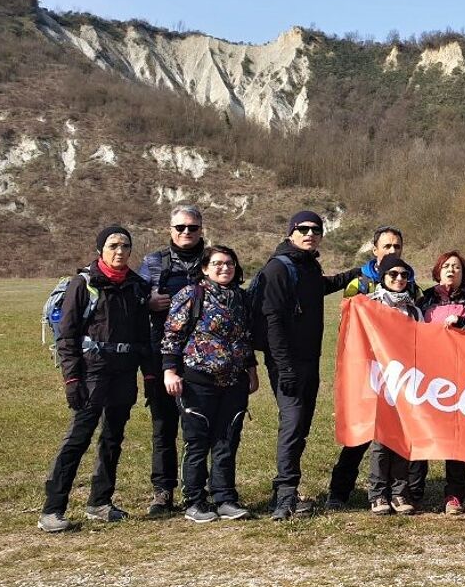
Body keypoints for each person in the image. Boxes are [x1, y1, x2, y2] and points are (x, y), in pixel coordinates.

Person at [39, 225, 152, 532]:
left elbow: (143, 336)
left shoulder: (136, 286)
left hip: (124, 372)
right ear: (100, 250)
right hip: (92, 372)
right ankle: (53, 509)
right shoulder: (83, 284)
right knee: (78, 438)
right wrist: (72, 379)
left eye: (125, 246)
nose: (120, 251)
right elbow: (67, 336)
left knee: (113, 438)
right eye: (113, 245)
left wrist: (150, 374)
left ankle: (100, 503)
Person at [260, 210, 360, 520]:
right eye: (303, 229)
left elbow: (321, 286)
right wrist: (284, 366)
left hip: (309, 361)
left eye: (315, 230)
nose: (309, 234)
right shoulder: (278, 268)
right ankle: (285, 495)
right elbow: (272, 320)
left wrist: (359, 272)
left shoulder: (308, 266)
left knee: (301, 425)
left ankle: (284, 488)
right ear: (290, 232)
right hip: (286, 363)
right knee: (292, 424)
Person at [159, 245, 257, 523]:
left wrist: (251, 371)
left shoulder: (241, 298)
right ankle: (194, 500)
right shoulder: (192, 294)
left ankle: (224, 498)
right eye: (217, 263)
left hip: (234, 381)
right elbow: (172, 334)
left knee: (227, 439)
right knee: (197, 441)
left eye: (229, 263)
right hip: (197, 381)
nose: (224, 268)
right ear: (204, 268)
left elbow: (245, 338)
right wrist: (169, 371)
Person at [326, 225, 417, 511]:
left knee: (400, 432)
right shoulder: (359, 283)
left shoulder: (410, 283)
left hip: (401, 375)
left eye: (397, 246)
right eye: (387, 246)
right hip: (369, 372)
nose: (392, 251)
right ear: (375, 249)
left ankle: (402, 491)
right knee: (362, 433)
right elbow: (347, 326)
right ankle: (339, 492)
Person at [138, 204, 206, 516]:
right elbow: (132, 297)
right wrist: (148, 302)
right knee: (163, 425)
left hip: (203, 358)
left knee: (201, 426)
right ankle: (162, 491)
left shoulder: (213, 260)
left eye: (192, 227)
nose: (186, 232)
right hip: (160, 354)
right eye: (180, 227)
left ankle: (199, 488)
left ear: (201, 230)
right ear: (170, 230)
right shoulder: (153, 262)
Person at [416, 251, 465, 515]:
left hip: (461, 377)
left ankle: (454, 495)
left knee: (456, 437)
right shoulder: (425, 300)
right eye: (447, 266)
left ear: (464, 273)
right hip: (428, 377)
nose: (452, 270)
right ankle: (414, 492)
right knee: (421, 431)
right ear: (438, 271)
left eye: (457, 267)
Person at [356, 254, 426, 516]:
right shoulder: (369, 305)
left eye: (404, 275)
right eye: (393, 274)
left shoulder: (414, 310)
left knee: (404, 437)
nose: (399, 279)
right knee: (381, 440)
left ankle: (399, 492)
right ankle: (377, 494)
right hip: (378, 380)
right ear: (382, 277)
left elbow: (424, 343)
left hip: (407, 380)